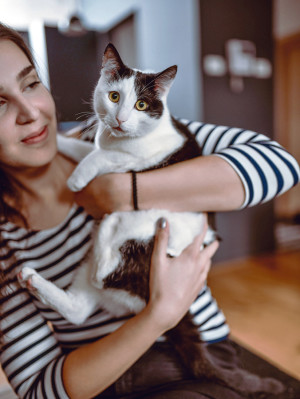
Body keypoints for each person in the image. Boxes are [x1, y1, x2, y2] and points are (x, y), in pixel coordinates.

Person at [0, 22, 299, 399]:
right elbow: (39, 389)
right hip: (101, 380)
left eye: (30, 83)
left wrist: (127, 190)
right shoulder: (4, 243)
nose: (30, 112)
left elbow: (279, 164)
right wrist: (158, 314)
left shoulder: (115, 134)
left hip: (194, 353)